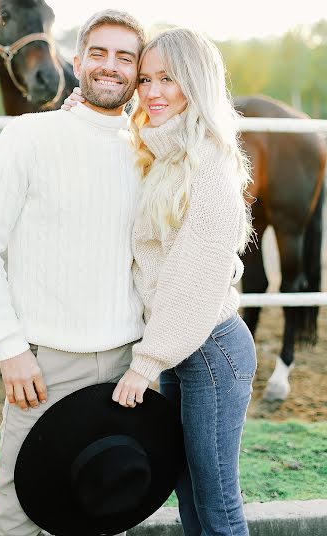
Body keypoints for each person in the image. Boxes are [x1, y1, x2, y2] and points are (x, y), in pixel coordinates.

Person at [63, 28, 257, 536]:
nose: (151, 92)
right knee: (189, 492)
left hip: (211, 348)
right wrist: (81, 116)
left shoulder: (209, 164)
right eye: (146, 79)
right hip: (182, 346)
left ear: (194, 82)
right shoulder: (166, 150)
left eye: (167, 78)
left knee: (217, 503)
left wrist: (145, 365)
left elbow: (192, 278)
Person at [0, 9, 146, 536]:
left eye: (125, 57)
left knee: (105, 511)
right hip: (42, 366)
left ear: (137, 70)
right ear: (77, 59)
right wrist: (11, 347)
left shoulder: (148, 151)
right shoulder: (27, 137)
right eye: (99, 52)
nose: (110, 66)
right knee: (17, 513)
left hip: (123, 368)